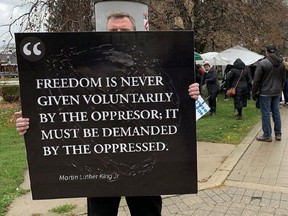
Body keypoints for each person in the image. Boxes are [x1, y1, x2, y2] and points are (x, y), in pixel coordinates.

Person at [15, 12, 200, 216]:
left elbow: (172, 112)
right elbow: (56, 106)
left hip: (144, 165)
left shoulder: (151, 69)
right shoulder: (85, 67)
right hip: (100, 166)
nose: (119, 34)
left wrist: (189, 96)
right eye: (113, 31)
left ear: (137, 33)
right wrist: (30, 124)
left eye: (125, 31)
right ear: (104, 34)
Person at [252, 44, 286, 142]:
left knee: (266, 114)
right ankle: (278, 133)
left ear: (267, 52)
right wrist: (280, 89)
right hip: (276, 92)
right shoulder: (281, 64)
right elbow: (283, 79)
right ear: (275, 52)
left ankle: (267, 135)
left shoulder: (263, 63)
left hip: (265, 92)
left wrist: (254, 93)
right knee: (276, 112)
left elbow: (256, 80)